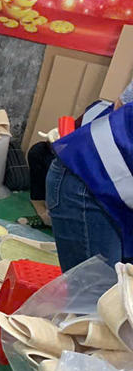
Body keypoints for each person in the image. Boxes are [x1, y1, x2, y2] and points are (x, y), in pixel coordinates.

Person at [47, 89, 133, 272]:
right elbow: (122, 103)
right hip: (88, 180)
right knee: (97, 287)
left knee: (118, 285)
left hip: (115, 188)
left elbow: (122, 103)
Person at [20, 98, 117, 228]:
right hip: (77, 158)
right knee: (39, 151)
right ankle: (45, 211)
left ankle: (71, 222)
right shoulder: (99, 108)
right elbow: (71, 134)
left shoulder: (125, 125)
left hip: (100, 172)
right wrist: (56, 141)